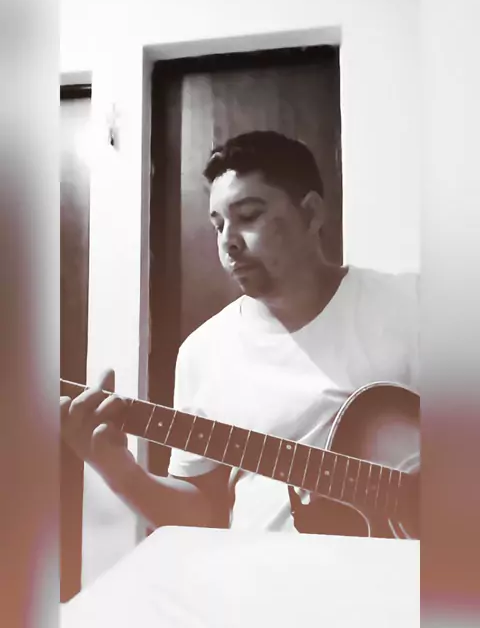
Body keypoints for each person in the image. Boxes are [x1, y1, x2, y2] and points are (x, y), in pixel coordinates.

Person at [61, 131, 419, 534]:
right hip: (257, 572)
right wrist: (116, 468)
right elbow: (199, 514)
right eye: (218, 225)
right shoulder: (203, 352)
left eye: (248, 216)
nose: (228, 242)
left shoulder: (415, 306)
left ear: (311, 213)